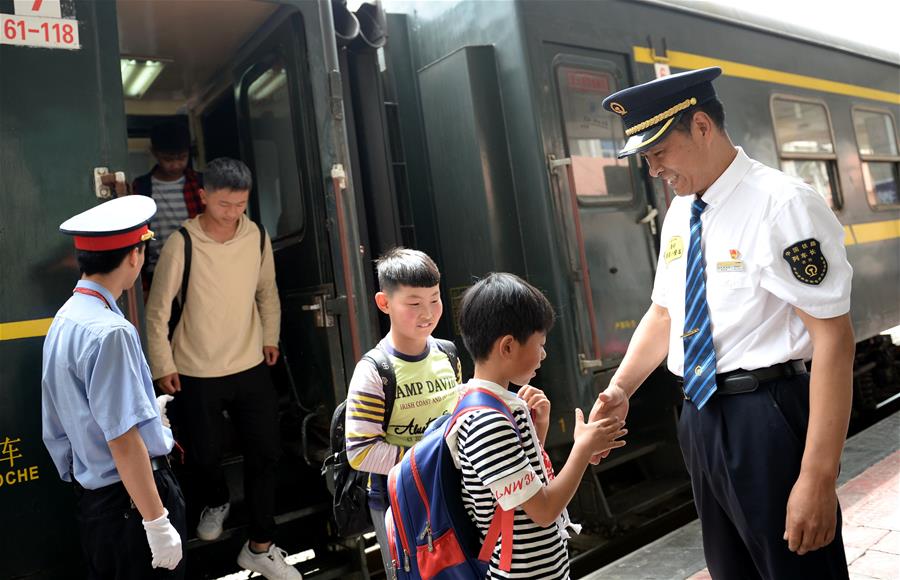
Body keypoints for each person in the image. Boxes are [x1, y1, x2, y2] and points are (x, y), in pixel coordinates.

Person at [590, 67, 854, 579]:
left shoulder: (782, 204)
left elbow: (834, 339)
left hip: (767, 418)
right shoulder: (681, 212)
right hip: (701, 416)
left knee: (797, 566)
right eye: (645, 157)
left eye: (659, 152)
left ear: (703, 126)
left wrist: (818, 476)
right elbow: (665, 312)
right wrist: (621, 388)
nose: (652, 169)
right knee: (732, 568)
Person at [144, 158, 298, 579]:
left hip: (249, 362)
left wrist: (270, 337)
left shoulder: (258, 237)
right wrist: (163, 363)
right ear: (204, 196)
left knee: (266, 453)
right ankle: (216, 500)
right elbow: (156, 311)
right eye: (225, 204)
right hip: (194, 368)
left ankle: (261, 545)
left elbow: (268, 293)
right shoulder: (182, 242)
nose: (233, 213)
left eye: (241, 204)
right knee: (205, 455)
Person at [42, 195, 185, 578]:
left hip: (96, 502)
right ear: (136, 256)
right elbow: (122, 440)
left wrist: (146, 413)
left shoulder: (66, 318)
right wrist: (156, 523)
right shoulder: (112, 332)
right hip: (131, 505)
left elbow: (67, 422)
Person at [450, 272, 627, 579]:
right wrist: (582, 450)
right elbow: (543, 511)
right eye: (540, 344)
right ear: (507, 347)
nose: (543, 354)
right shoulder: (488, 422)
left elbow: (517, 489)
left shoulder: (491, 404)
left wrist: (538, 430)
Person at [344, 247, 462, 573]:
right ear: (384, 303)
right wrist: (425, 458)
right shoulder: (374, 370)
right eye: (414, 303)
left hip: (449, 484)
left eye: (434, 299)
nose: (428, 312)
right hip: (397, 497)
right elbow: (360, 452)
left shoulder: (449, 356)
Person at [132, 121, 204, 289]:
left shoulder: (200, 184)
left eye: (182, 158)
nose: (175, 165)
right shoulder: (142, 187)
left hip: (197, 270)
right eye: (168, 159)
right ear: (154, 153)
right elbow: (138, 239)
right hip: (157, 274)